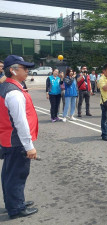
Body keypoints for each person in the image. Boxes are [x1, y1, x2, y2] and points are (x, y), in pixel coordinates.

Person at [0, 55, 38, 219]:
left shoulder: (8, 87)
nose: (27, 70)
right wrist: (29, 146)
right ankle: (16, 208)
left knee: (9, 174)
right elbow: (21, 123)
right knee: (17, 175)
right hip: (16, 141)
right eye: (24, 68)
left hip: (9, 139)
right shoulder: (14, 93)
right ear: (12, 70)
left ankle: (13, 201)